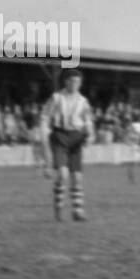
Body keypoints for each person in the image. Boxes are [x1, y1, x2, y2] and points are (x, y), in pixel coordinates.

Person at [39, 69, 95, 221]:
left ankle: (78, 212)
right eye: (72, 81)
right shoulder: (56, 98)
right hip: (60, 136)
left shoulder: (83, 101)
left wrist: (90, 134)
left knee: (77, 177)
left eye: (78, 82)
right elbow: (45, 116)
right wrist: (44, 131)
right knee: (63, 175)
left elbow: (88, 121)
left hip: (76, 138)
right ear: (66, 82)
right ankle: (58, 208)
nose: (75, 84)